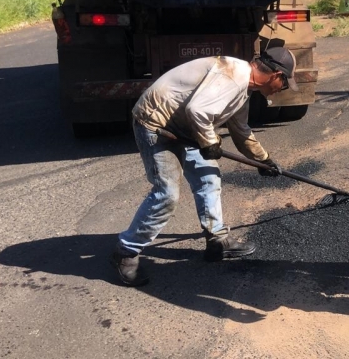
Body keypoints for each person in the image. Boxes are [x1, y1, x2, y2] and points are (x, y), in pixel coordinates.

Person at [110, 47, 298, 286]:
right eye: (284, 85)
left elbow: (240, 130)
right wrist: (210, 142)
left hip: (186, 131)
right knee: (166, 193)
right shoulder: (233, 76)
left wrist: (263, 160)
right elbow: (197, 110)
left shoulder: (243, 89)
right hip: (157, 126)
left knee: (208, 178)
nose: (281, 90)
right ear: (275, 76)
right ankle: (125, 252)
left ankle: (217, 241)